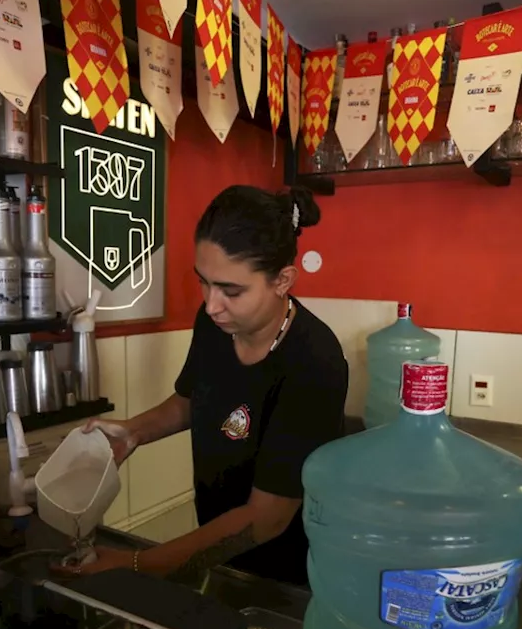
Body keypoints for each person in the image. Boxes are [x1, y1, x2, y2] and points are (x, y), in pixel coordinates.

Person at [69, 185, 348, 586]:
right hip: (220, 548)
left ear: (283, 280)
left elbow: (267, 519)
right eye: (205, 282)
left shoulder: (314, 362)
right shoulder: (216, 323)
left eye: (231, 290)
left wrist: (138, 563)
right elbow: (192, 399)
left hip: (290, 571)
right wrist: (133, 432)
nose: (212, 303)